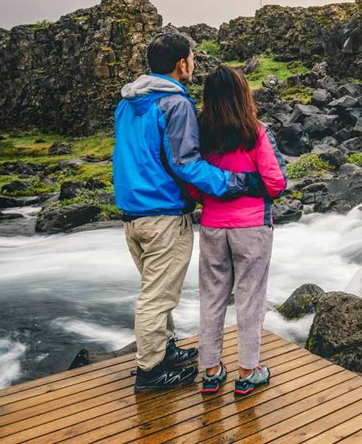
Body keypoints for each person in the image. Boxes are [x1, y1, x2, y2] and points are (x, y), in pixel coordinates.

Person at [113, 32, 263, 392]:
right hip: (163, 214)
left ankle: (164, 351)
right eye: (192, 58)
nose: (194, 64)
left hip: (132, 214)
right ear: (182, 63)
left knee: (155, 287)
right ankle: (151, 371)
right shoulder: (174, 105)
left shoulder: (128, 103)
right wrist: (238, 183)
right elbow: (186, 165)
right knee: (158, 296)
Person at [192, 67, 287, 396]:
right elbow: (276, 183)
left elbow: (193, 185)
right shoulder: (255, 132)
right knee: (250, 299)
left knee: (212, 298)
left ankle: (211, 370)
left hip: (213, 228)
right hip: (251, 228)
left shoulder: (199, 135)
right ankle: (247, 372)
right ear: (242, 94)